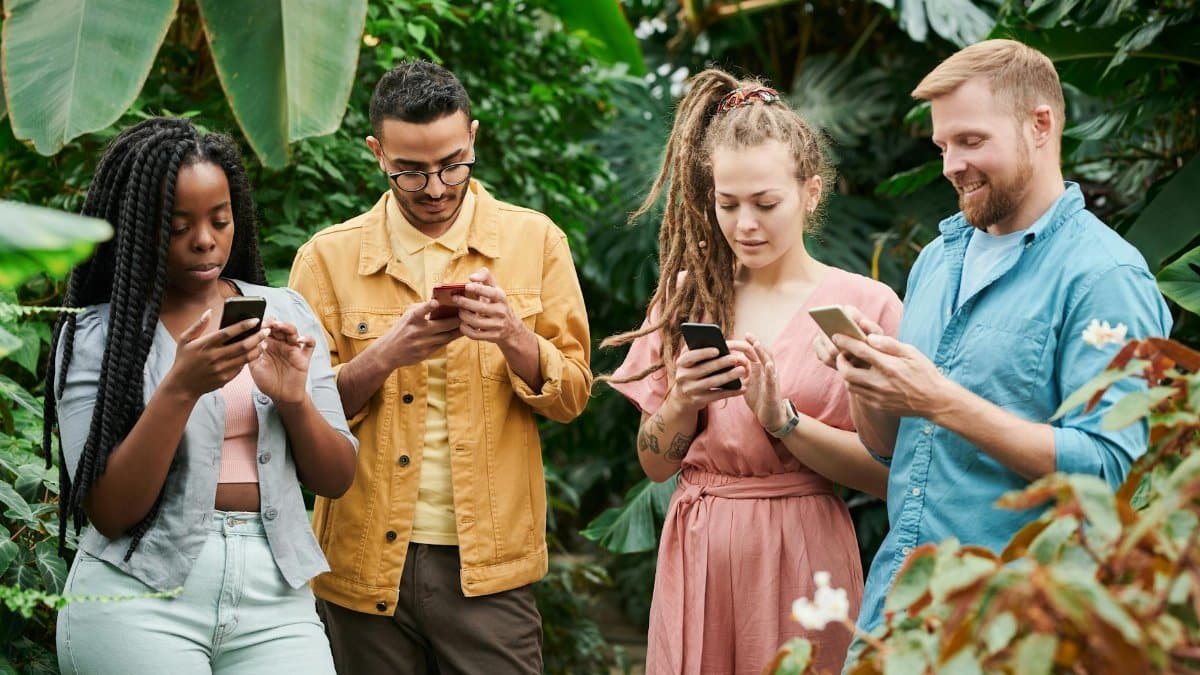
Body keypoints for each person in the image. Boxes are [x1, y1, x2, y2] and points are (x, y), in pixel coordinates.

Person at [811, 39, 1174, 642]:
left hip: (1019, 628)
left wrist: (939, 399)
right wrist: (869, 381)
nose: (952, 164)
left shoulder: (1106, 277)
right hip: (898, 615)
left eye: (971, 141)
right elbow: (893, 454)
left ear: (1040, 125)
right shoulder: (935, 261)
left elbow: (1115, 473)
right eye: (943, 146)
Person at [288, 60, 591, 674]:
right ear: (377, 153)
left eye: (453, 164)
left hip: (489, 569)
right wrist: (384, 356)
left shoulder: (536, 243)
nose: (435, 187)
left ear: (473, 138)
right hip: (362, 563)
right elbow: (298, 418)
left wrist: (513, 337)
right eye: (410, 171)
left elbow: (574, 397)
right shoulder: (326, 258)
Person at [603, 68, 903, 674]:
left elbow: (887, 475)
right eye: (727, 203)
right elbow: (655, 463)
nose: (744, 225)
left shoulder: (865, 306)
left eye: (765, 204)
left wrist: (784, 422)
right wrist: (681, 402)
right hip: (699, 549)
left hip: (803, 550)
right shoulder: (688, 296)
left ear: (811, 193)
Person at [43, 117, 358, 674]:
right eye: (178, 225)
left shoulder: (284, 311)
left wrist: (293, 400)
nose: (205, 239)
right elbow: (110, 511)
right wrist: (180, 389)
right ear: (138, 225)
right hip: (138, 596)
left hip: (274, 595)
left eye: (220, 219)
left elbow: (335, 477)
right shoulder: (97, 335)